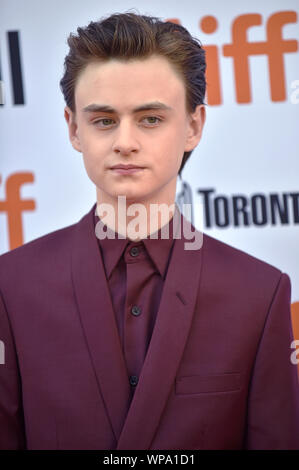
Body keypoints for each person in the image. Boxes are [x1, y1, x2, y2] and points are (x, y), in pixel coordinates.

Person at [0, 12, 298, 450]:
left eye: (150, 119)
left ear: (193, 126)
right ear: (73, 128)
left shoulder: (259, 293)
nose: (125, 141)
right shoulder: (12, 285)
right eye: (104, 120)